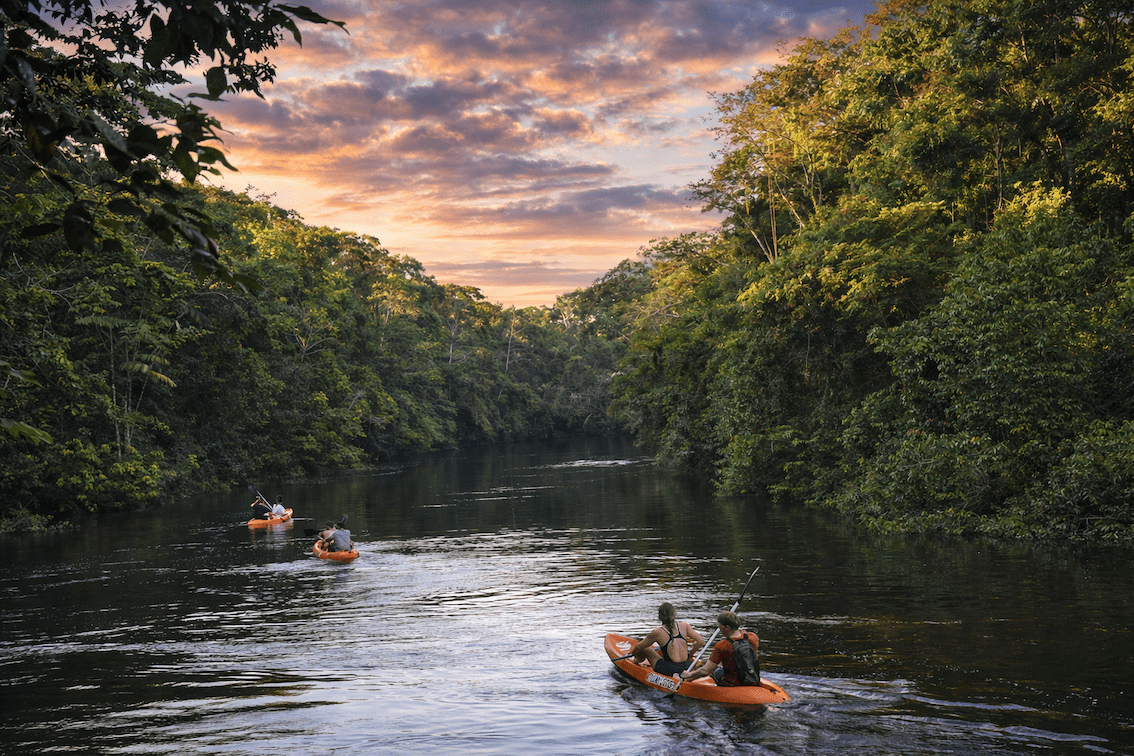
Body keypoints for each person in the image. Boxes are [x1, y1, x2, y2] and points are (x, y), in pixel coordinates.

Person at [680, 611, 760, 687]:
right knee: (723, 661)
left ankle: (686, 681)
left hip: (731, 683)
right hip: (751, 676)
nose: (719, 630)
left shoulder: (722, 645)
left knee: (712, 669)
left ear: (727, 628)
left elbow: (706, 671)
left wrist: (690, 674)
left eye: (720, 627)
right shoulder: (753, 637)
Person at [630, 602, 706, 676]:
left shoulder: (658, 632)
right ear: (674, 614)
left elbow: (638, 647)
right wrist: (690, 655)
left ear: (659, 617)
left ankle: (636, 662)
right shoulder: (685, 625)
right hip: (687, 666)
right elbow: (701, 641)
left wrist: (632, 653)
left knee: (646, 647)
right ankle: (685, 673)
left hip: (671, 669)